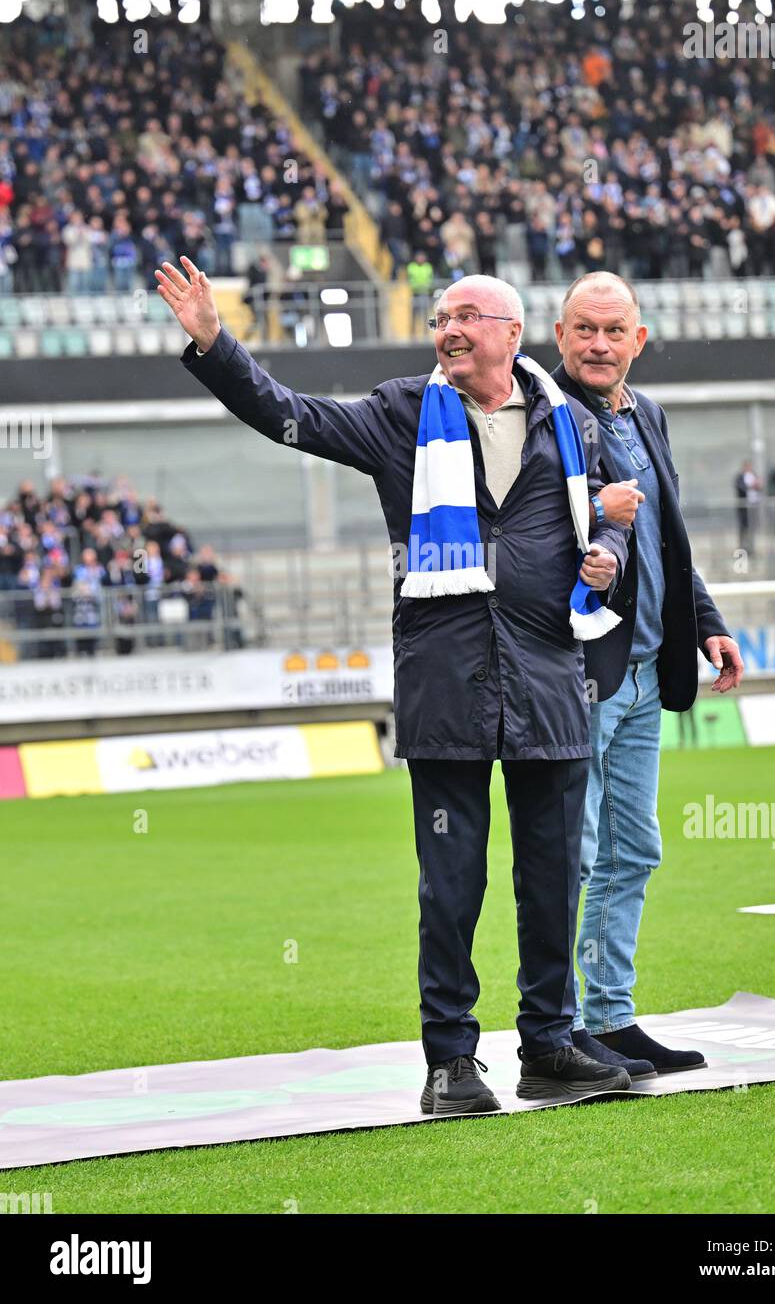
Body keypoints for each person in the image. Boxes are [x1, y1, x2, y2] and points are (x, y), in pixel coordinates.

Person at [156, 255, 631, 1114]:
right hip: (447, 682)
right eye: (441, 317)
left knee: (554, 875)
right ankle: (450, 1061)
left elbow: (603, 523)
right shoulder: (399, 412)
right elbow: (291, 418)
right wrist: (217, 344)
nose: (447, 328)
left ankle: (550, 1044)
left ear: (510, 334)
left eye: (466, 317)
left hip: (551, 680)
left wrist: (610, 552)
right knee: (451, 885)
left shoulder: (573, 425)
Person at [553, 271, 745, 1076]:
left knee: (634, 851)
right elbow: (540, 537)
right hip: (578, 673)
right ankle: (558, 1029)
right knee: (575, 852)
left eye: (615, 331)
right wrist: (601, 515)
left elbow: (669, 538)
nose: (599, 345)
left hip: (643, 675)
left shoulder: (647, 412)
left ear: (639, 339)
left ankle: (612, 1017)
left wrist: (706, 623)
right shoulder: (544, 415)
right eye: (585, 330)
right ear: (560, 336)